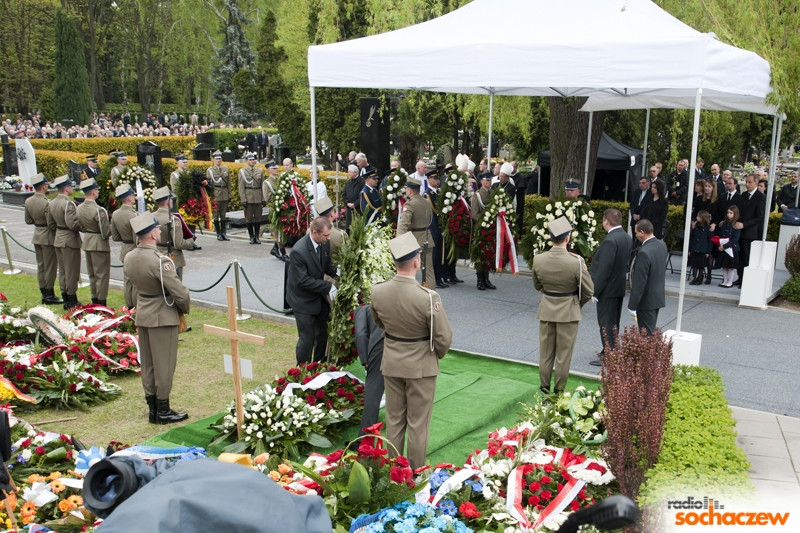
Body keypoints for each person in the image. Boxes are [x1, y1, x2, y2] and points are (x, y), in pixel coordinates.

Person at [370, 232, 452, 469]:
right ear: (417, 261)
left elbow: (379, 322)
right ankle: (414, 473)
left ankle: (394, 472)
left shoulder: (378, 291)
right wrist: (436, 355)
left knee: (394, 420)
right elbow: (444, 337)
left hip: (392, 361)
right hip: (420, 366)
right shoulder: (428, 297)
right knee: (418, 424)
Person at [124, 212, 190, 424]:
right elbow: (180, 293)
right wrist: (183, 309)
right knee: (164, 365)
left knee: (149, 364)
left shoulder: (130, 257)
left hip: (144, 313)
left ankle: (153, 408)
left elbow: (132, 287)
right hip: (162, 315)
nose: (160, 230)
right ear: (152, 234)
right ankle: (163, 409)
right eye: (157, 228)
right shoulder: (160, 261)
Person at [532, 216, 594, 394]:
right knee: (563, 356)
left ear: (550, 237)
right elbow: (588, 290)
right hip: (568, 312)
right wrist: (576, 303)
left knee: (545, 354)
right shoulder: (576, 262)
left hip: (547, 309)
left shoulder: (538, 259)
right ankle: (558, 393)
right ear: (567, 238)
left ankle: (544, 389)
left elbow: (537, 285)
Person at [286, 217, 338, 365]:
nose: (329, 238)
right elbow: (303, 281)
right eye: (326, 235)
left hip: (317, 296)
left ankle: (318, 365)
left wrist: (339, 271)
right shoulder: (299, 251)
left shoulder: (323, 243)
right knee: (307, 338)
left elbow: (326, 265)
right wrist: (328, 287)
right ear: (315, 232)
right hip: (302, 300)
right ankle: (303, 369)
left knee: (323, 333)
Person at [588, 209, 630, 366]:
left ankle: (610, 354)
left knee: (605, 323)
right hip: (618, 286)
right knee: (614, 322)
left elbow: (604, 269)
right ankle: (611, 350)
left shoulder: (610, 240)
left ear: (606, 221)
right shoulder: (626, 237)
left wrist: (595, 291)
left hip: (608, 289)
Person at [24, 173, 62, 305]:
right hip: (47, 236)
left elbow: (28, 220)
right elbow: (51, 223)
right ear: (44, 186)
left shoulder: (28, 201)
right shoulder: (46, 203)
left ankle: (44, 292)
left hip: (37, 235)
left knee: (41, 266)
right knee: (50, 266)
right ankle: (49, 294)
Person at [47, 175, 82, 309]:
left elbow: (51, 223)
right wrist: (84, 226)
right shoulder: (68, 204)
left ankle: (65, 296)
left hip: (59, 238)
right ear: (66, 188)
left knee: (63, 271)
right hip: (69, 240)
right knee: (72, 271)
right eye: (71, 186)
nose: (72, 189)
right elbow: (72, 224)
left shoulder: (52, 202)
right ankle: (72, 299)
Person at [628, 219, 668, 335]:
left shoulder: (644, 252)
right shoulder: (662, 245)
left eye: (636, 232)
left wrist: (632, 305)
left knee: (646, 335)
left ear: (642, 232)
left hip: (646, 301)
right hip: (657, 297)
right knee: (650, 332)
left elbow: (639, 281)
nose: (636, 235)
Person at [76, 178, 111, 305]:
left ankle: (94, 298)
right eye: (96, 189)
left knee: (92, 275)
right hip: (99, 243)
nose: (98, 192)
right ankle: (101, 302)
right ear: (92, 191)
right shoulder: (99, 210)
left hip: (88, 240)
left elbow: (81, 226)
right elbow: (105, 232)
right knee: (101, 275)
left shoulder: (79, 208)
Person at [397, 175, 435, 288]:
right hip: (427, 237)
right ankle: (431, 293)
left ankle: (414, 295)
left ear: (409, 191)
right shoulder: (426, 202)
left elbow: (403, 224)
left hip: (414, 241)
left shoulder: (410, 204)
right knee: (428, 272)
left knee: (409, 272)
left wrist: (399, 241)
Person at [353, 304, 384, 437]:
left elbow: (360, 334)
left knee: (373, 392)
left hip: (379, 347)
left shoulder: (362, 310)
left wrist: (365, 359)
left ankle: (364, 437)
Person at [152, 186, 194, 280]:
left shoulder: (151, 217)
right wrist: (191, 241)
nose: (172, 201)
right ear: (167, 201)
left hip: (155, 256)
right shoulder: (173, 219)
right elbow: (178, 244)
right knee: (175, 287)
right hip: (172, 258)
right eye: (171, 199)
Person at [110, 184, 139, 308]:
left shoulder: (116, 214)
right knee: (136, 281)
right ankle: (135, 306)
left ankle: (129, 306)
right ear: (128, 197)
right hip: (134, 249)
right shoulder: (133, 215)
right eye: (132, 195)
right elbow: (137, 238)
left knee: (127, 281)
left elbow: (115, 236)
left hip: (125, 249)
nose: (134, 197)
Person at [735, 173, 765, 287]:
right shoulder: (743, 195)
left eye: (750, 182)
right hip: (739, 230)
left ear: (756, 183)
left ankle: (746, 280)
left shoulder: (760, 197)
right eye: (746, 182)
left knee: (747, 257)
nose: (747, 184)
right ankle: (740, 277)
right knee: (740, 256)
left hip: (750, 232)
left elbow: (759, 217)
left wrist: (744, 225)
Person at [423, 169, 448, 289]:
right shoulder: (427, 195)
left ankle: (440, 277)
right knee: (435, 255)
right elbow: (434, 212)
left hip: (440, 226)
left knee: (440, 254)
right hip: (434, 227)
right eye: (435, 178)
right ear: (429, 180)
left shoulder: (439, 192)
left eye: (438, 178)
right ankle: (435, 279)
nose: (437, 180)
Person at [470, 173, 496, 291]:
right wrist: (486, 220)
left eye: (490, 180)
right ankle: (480, 280)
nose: (489, 182)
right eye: (487, 180)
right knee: (480, 255)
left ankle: (486, 279)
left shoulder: (493, 193)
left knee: (489, 254)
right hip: (481, 229)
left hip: (491, 228)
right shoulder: (477, 195)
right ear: (481, 181)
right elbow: (474, 214)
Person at [263, 160, 287, 260]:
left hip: (283, 208)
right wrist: (278, 199)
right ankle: (283, 253)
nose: (276, 169)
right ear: (269, 170)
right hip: (275, 209)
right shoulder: (267, 183)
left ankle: (275, 249)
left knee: (283, 231)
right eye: (274, 168)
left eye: (276, 168)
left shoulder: (280, 180)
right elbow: (267, 198)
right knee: (278, 231)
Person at [238, 153, 265, 244]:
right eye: (250, 160)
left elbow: (262, 185)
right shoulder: (243, 171)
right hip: (248, 196)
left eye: (253, 160)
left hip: (257, 196)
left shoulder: (259, 171)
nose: (252, 161)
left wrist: (263, 198)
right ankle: (251, 237)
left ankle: (257, 237)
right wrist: (243, 199)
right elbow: (241, 187)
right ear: (246, 161)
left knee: (258, 218)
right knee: (248, 218)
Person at [207, 150, 231, 241]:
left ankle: (224, 233)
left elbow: (228, 183)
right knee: (216, 215)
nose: (218, 160)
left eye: (220, 159)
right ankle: (218, 233)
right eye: (216, 159)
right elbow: (209, 185)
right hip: (215, 194)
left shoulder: (225, 169)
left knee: (223, 214)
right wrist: (210, 196)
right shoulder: (210, 170)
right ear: (213, 160)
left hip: (224, 193)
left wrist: (229, 194)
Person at [715, 205, 741, 288]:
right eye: (728, 213)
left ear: (735, 214)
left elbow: (735, 239)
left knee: (730, 267)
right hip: (723, 247)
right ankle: (725, 280)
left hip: (731, 248)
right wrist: (720, 245)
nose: (729, 214)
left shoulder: (736, 225)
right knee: (724, 266)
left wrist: (725, 246)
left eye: (731, 213)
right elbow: (721, 235)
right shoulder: (724, 223)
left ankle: (730, 281)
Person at [688, 210, 714, 285]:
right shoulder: (696, 226)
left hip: (703, 250)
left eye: (698, 216)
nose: (697, 217)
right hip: (695, 248)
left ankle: (699, 278)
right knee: (694, 265)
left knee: (701, 266)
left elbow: (710, 241)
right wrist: (690, 249)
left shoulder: (708, 228)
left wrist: (708, 252)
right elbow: (692, 238)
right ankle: (694, 278)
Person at [343, 164, 364, 230]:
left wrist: (355, 204)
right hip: (349, 209)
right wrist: (347, 203)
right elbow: (344, 194)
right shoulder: (348, 182)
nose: (348, 174)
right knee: (349, 228)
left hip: (358, 209)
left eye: (350, 172)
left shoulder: (362, 182)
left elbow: (363, 195)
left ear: (355, 172)